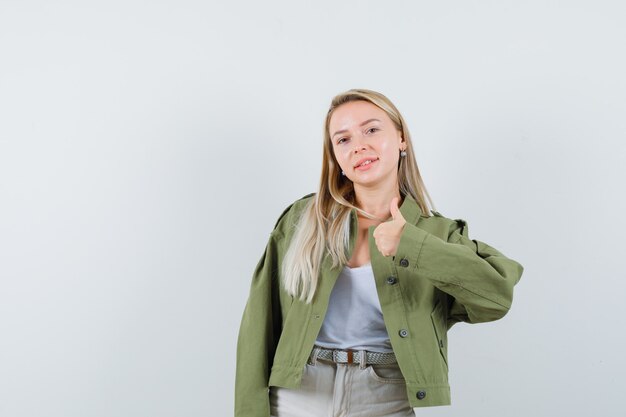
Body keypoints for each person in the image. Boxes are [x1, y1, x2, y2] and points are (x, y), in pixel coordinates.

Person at [235, 88, 524, 417]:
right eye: (343, 140)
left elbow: (496, 298)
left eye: (371, 130)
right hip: (298, 391)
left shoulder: (438, 233)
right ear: (336, 158)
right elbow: (258, 326)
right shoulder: (302, 221)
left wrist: (411, 245)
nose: (358, 145)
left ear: (401, 139)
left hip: (386, 396)